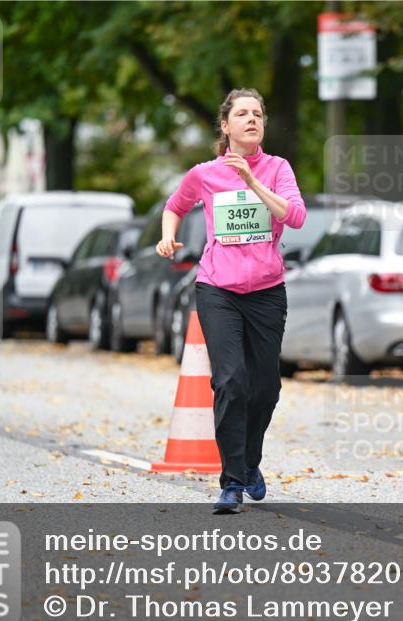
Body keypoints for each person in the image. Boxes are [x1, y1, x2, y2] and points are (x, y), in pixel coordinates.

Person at [156, 88, 306, 514]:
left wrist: (252, 181)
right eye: (242, 114)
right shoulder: (204, 173)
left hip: (266, 291)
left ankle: (251, 463)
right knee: (230, 381)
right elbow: (175, 205)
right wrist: (168, 236)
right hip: (217, 288)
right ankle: (232, 481)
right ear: (226, 126)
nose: (252, 119)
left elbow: (294, 216)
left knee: (266, 388)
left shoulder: (277, 169)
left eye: (258, 113)